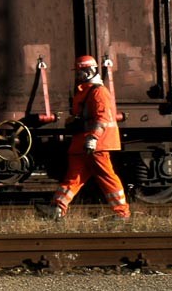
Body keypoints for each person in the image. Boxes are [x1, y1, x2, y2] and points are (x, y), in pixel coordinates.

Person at [42, 54, 129, 221]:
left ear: (90, 71)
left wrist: (93, 137)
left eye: (80, 71)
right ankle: (57, 208)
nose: (77, 75)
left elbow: (102, 118)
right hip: (82, 143)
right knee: (73, 177)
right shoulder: (86, 91)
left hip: (96, 143)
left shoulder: (98, 92)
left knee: (106, 177)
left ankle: (121, 213)